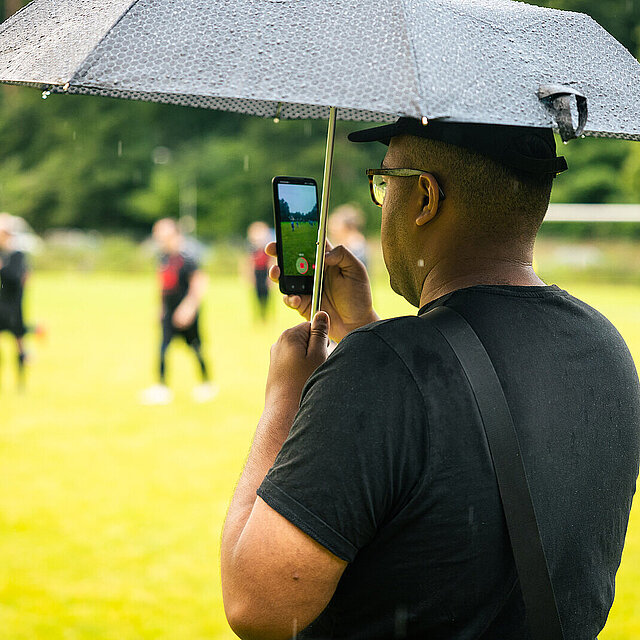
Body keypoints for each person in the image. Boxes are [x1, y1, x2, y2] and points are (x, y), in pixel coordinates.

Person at [220, 118, 640, 639]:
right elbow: (465, 443)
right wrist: (363, 331)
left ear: (424, 197)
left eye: (384, 181)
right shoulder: (606, 347)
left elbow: (257, 604)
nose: (381, 202)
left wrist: (286, 397)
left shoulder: (381, 372)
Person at [140, 218, 217, 405]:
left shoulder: (187, 257)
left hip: (186, 312)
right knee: (163, 348)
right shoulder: (163, 257)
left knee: (195, 347)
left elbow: (199, 282)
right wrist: (160, 307)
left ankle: (206, 384)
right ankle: (161, 387)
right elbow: (162, 284)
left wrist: (188, 308)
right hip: (169, 311)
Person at [0, 213, 29, 390]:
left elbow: (17, 278)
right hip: (0, 304)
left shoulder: (17, 255)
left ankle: (20, 383)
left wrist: (2, 268)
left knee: (19, 344)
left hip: (15, 305)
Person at [245, 221, 273, 322]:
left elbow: (270, 262)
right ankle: (258, 316)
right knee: (257, 295)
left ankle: (265, 315)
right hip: (257, 273)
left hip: (265, 273)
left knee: (266, 296)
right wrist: (250, 276)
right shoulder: (253, 249)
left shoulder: (267, 249)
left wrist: (270, 278)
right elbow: (250, 263)